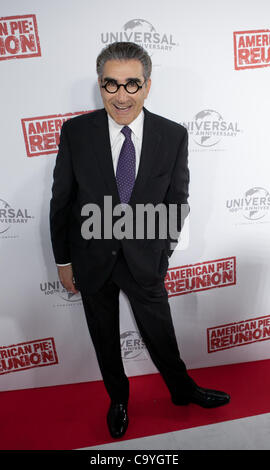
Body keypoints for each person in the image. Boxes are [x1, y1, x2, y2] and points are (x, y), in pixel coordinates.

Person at [50, 42, 230, 439]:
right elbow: (62, 200)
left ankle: (182, 390)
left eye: (132, 84)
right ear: (100, 86)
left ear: (147, 86)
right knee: (104, 339)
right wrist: (63, 262)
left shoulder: (172, 134)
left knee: (161, 334)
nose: (121, 95)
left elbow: (176, 200)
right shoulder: (77, 132)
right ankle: (118, 399)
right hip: (91, 258)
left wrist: (161, 252)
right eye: (111, 85)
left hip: (145, 260)